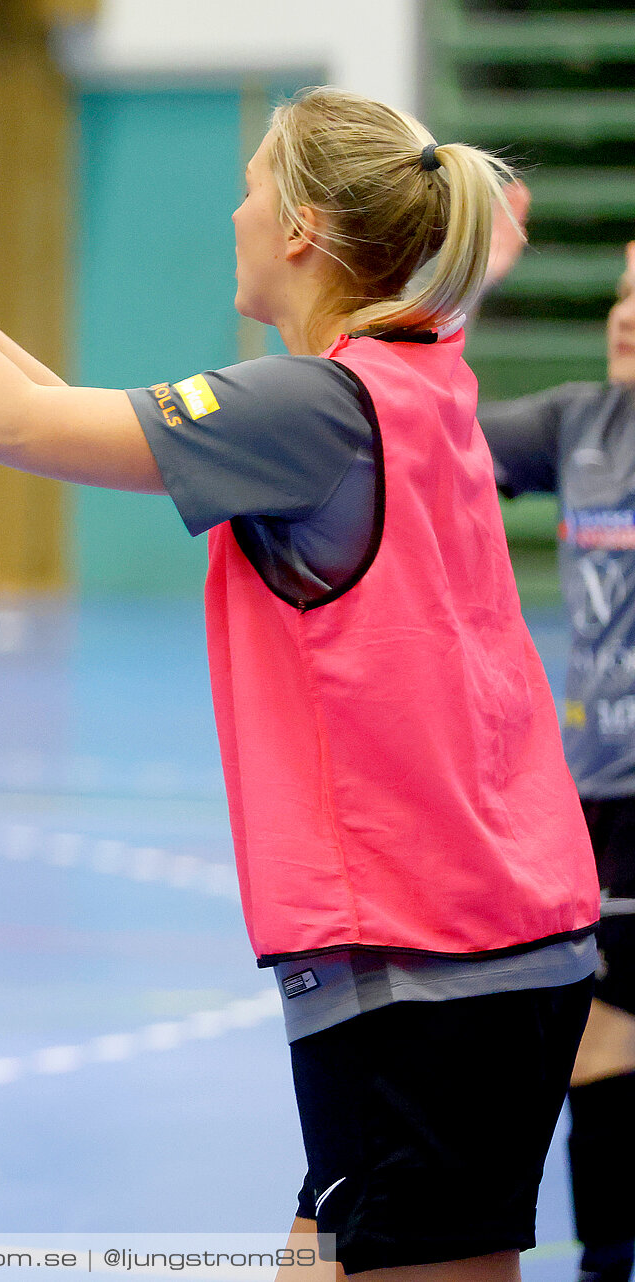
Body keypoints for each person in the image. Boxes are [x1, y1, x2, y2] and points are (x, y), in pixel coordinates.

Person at [0, 55, 601, 1280]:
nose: (230, 214)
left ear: (303, 231)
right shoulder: (414, 374)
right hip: (488, 934)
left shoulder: (310, 410)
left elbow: (5, 424)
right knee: (317, 1254)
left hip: (421, 959)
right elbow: (41, 397)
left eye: (248, 187)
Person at [478, 211, 635, 1282]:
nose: (625, 314)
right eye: (622, 290)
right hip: (595, 792)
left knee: (604, 1035)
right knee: (596, 1036)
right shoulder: (583, 423)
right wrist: (457, 287)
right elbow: (429, 435)